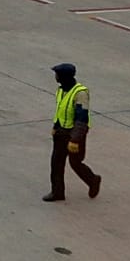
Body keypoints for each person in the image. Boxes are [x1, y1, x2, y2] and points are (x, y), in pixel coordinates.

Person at [45, 62, 101, 202]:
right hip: (60, 132)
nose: (55, 77)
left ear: (64, 77)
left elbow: (81, 118)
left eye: (57, 75)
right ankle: (57, 192)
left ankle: (93, 180)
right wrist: (55, 126)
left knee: (75, 163)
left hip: (74, 134)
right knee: (56, 163)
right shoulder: (61, 90)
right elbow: (60, 111)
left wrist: (75, 140)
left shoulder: (80, 93)